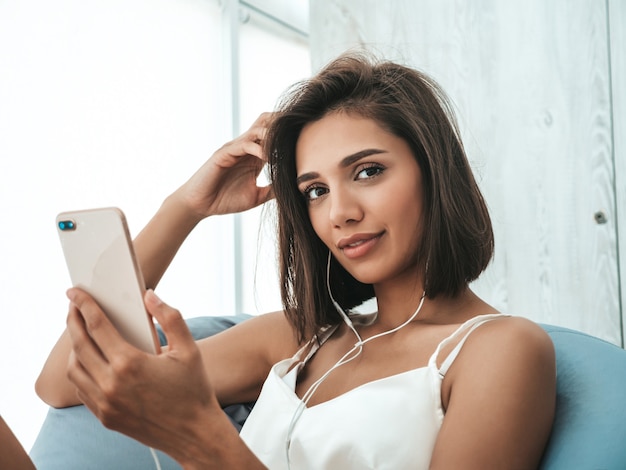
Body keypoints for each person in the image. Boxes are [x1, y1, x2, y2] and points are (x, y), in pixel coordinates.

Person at [31, 53, 555, 469]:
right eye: (315, 191)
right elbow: (61, 384)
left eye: (368, 171)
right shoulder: (301, 337)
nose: (340, 213)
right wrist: (185, 209)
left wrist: (201, 440)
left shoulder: (499, 349)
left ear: (434, 172)